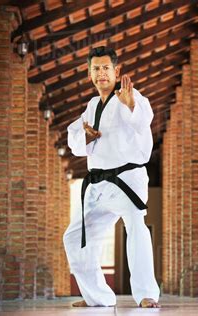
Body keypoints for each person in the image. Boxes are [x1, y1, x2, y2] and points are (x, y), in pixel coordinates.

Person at [63, 46, 160, 308]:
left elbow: (143, 120)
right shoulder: (92, 105)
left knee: (136, 228)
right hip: (98, 183)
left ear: (116, 71)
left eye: (106, 68)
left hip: (127, 180)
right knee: (74, 237)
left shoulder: (130, 96)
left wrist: (131, 106)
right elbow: (74, 138)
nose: (101, 73)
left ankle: (146, 294)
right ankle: (98, 297)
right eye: (96, 68)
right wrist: (86, 136)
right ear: (89, 73)